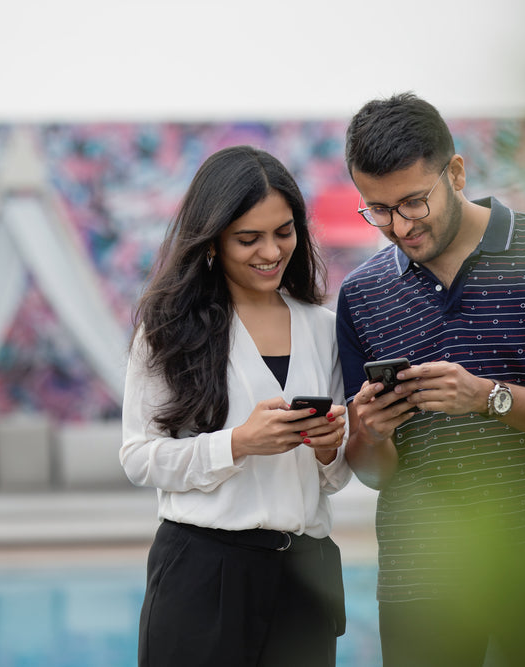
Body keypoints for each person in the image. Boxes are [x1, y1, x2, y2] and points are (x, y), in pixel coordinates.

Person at [336, 93, 525, 667]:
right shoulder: (361, 296)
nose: (399, 225)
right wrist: (370, 432)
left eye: (414, 202)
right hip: (422, 581)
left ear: (457, 172)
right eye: (379, 209)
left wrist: (487, 397)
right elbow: (372, 474)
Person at [121, 145, 353, 667]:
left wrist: (328, 449)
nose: (271, 252)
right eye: (248, 239)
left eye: (284, 232)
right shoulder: (166, 332)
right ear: (212, 242)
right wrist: (238, 443)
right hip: (204, 572)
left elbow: (335, 479)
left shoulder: (322, 328)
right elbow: (138, 457)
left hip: (305, 578)